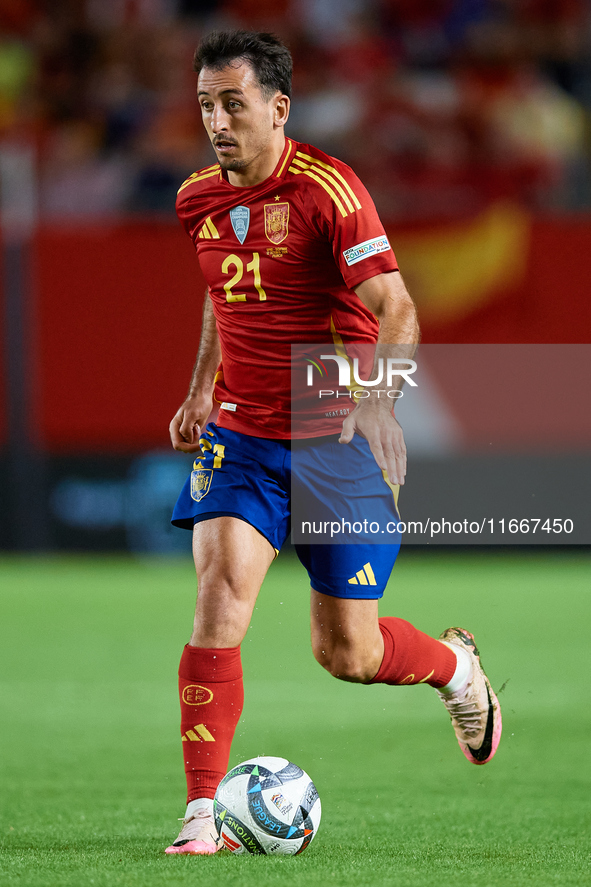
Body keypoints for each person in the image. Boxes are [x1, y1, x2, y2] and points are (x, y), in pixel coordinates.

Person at [165, 30, 502, 856]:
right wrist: (203, 384)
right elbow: (222, 293)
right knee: (218, 600)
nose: (216, 119)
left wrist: (381, 402)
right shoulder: (195, 198)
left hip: (334, 435)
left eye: (232, 103)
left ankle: (455, 669)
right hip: (242, 433)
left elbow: (396, 309)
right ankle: (201, 815)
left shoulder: (328, 190)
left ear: (278, 108)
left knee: (347, 652)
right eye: (206, 103)